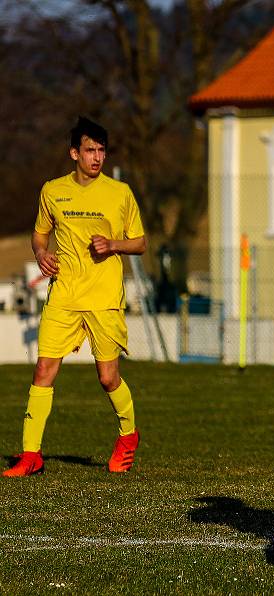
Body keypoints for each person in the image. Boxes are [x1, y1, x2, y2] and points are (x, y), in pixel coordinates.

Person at [3, 117, 146, 477]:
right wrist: (41, 254)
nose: (97, 157)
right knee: (43, 370)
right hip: (63, 295)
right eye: (90, 150)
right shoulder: (52, 191)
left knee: (107, 378)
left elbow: (141, 243)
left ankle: (128, 434)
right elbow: (39, 236)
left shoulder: (120, 193)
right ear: (74, 153)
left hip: (103, 298)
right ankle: (31, 454)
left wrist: (113, 244)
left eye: (101, 150)